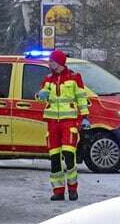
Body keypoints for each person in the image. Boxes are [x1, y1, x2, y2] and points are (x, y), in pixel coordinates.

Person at [36, 49, 89, 201]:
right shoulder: (48, 79)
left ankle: (72, 189)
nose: (49, 64)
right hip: (52, 124)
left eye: (51, 61)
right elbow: (42, 98)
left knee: (69, 155)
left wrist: (85, 117)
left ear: (58, 63)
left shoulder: (75, 78)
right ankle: (58, 190)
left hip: (69, 122)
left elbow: (81, 98)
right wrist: (40, 95)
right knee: (54, 158)